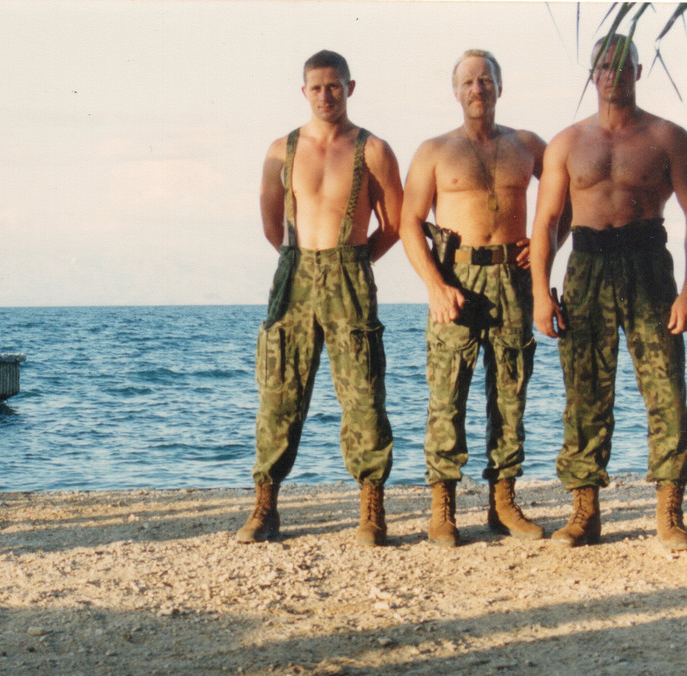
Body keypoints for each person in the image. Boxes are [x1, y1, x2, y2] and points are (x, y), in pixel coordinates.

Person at [236, 50, 402, 547]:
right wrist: (303, 264)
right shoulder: (282, 149)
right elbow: (271, 224)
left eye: (335, 86)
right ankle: (265, 507)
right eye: (316, 88)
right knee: (279, 393)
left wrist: (351, 264)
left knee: (364, 396)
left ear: (350, 87)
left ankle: (372, 510)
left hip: (350, 270)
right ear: (303, 91)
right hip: (294, 274)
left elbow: (392, 224)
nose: (326, 95)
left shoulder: (373, 149)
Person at [399, 49, 561, 547]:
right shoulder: (434, 151)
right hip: (457, 278)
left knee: (510, 393)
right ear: (456, 91)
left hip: (512, 277)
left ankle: (503, 502)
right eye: (468, 81)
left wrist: (547, 240)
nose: (477, 88)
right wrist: (435, 285)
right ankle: (443, 506)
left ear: (499, 87)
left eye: (486, 79)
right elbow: (408, 225)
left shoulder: (528, 144)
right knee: (447, 395)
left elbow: (563, 198)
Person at [531, 36, 687, 550]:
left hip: (649, 264)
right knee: (585, 392)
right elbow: (548, 222)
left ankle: (670, 511)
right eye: (603, 66)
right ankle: (584, 511)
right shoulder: (568, 142)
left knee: (665, 389)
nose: (611, 75)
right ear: (592, 73)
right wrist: (540, 293)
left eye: (622, 67)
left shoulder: (668, 137)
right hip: (587, 265)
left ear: (638, 73)